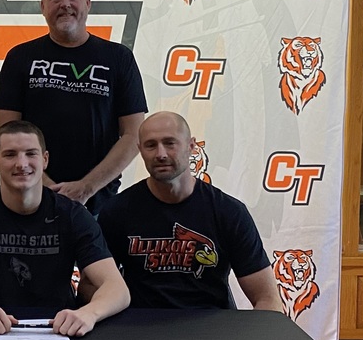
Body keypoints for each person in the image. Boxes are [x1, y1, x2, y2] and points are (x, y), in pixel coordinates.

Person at [0, 120, 130, 337]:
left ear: (45, 160)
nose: (21, 163)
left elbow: (117, 289)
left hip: (58, 332)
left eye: (30, 153)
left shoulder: (72, 215)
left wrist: (89, 313)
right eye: (10, 155)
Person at [86, 111, 283, 312]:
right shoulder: (117, 211)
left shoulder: (229, 212)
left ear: (191, 146)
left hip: (214, 331)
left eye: (170, 143)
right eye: (150, 145)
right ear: (140, 150)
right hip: (140, 332)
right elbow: (89, 286)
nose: (160, 154)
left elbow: (268, 299)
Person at [0, 0, 147, 215]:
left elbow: (134, 135)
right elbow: (5, 133)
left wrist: (86, 188)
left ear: (87, 3)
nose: (65, 3)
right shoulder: (20, 58)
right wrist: (45, 188)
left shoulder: (118, 58)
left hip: (99, 204)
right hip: (30, 200)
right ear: (43, 7)